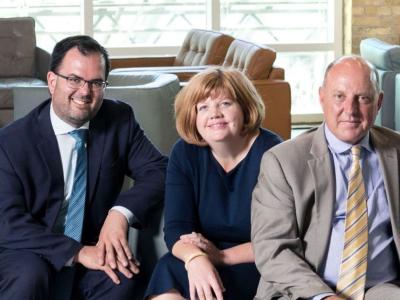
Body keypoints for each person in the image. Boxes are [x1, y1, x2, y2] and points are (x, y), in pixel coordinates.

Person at [0, 35, 168, 299]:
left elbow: (159, 170)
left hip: (91, 247)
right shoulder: (11, 142)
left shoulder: (118, 120)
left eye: (96, 82)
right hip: (27, 252)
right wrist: (76, 252)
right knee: (30, 274)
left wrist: (120, 214)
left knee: (123, 278)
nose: (85, 91)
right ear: (52, 82)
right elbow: (7, 223)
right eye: (74, 79)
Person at [252, 55, 400, 300]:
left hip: (379, 290)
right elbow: (272, 248)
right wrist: (324, 297)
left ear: (379, 102)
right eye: (339, 96)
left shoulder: (396, 151)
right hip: (305, 290)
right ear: (322, 97)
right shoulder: (283, 161)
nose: (350, 110)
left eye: (363, 98)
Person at [144, 67, 282, 300]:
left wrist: (221, 257)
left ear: (245, 107)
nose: (214, 114)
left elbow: (280, 238)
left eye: (225, 104)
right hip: (204, 259)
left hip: (258, 263)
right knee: (168, 267)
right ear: (193, 116)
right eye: (203, 107)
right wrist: (196, 258)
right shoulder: (185, 152)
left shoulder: (273, 153)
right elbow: (176, 229)